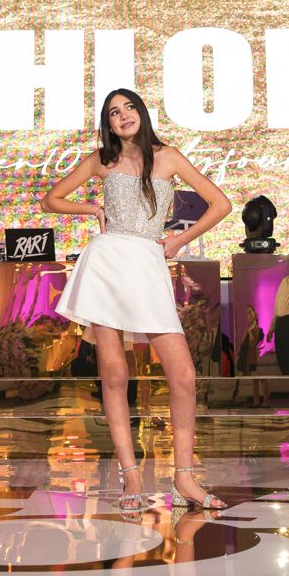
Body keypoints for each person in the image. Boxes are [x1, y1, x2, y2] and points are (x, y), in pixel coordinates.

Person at [43, 87, 232, 513]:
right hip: (106, 261)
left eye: (129, 108)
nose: (123, 116)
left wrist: (181, 239)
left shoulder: (169, 156)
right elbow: (50, 199)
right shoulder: (101, 160)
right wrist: (92, 209)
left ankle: (184, 478)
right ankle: (130, 476)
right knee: (113, 374)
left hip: (147, 261)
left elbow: (221, 203)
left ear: (142, 113)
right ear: (107, 123)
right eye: (114, 112)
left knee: (182, 374)